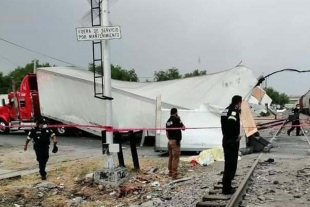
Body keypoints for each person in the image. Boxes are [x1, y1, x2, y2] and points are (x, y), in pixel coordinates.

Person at [220, 95, 242, 195]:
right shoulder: (234, 111)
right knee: (231, 165)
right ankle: (226, 189)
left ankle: (227, 186)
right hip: (231, 142)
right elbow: (231, 124)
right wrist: (235, 137)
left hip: (225, 140)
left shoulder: (225, 110)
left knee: (228, 164)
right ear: (238, 102)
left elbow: (224, 126)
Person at [166, 108, 185, 180]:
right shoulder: (177, 119)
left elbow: (167, 132)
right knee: (176, 158)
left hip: (170, 141)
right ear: (176, 112)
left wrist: (170, 139)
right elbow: (183, 128)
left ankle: (170, 172)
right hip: (175, 141)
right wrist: (179, 119)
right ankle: (174, 174)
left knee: (171, 157)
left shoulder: (168, 121)